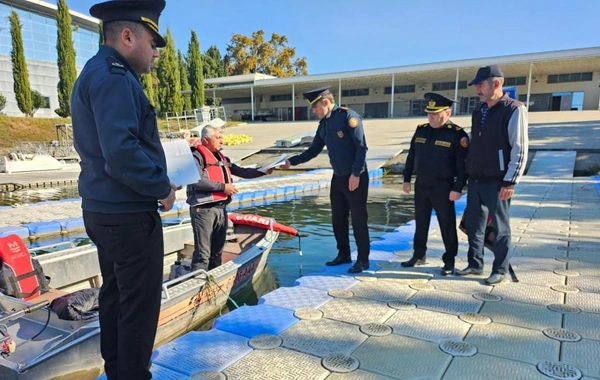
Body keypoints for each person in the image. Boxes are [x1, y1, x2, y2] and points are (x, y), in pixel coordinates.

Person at [71, 1, 177, 379]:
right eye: (152, 42)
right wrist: (161, 187)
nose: (156, 52)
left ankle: (118, 372)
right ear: (128, 36)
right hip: (128, 215)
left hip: (104, 210)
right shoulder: (115, 76)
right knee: (138, 307)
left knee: (116, 298)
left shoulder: (95, 71)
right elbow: (120, 151)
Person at [282, 86, 370, 273]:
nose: (313, 111)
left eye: (315, 107)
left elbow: (361, 147)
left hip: (356, 177)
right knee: (338, 218)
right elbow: (313, 151)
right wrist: (292, 161)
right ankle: (344, 254)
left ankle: (363, 259)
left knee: (358, 219)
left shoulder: (348, 117)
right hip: (338, 177)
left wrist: (356, 174)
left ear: (325, 102)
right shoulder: (323, 125)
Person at [455, 65, 529, 285]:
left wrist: (510, 180)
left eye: (480, 85)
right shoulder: (479, 110)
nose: (477, 90)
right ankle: (475, 264)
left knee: (500, 227)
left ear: (496, 83)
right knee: (474, 225)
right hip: (476, 178)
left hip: (498, 181)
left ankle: (500, 269)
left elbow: (520, 147)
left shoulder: (514, 109)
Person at [187, 125, 271, 271]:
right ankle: (197, 283)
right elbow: (197, 179)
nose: (222, 141)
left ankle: (213, 279)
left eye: (222, 137)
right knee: (203, 254)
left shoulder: (222, 158)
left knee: (217, 251)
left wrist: (262, 171)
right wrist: (223, 187)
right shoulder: (196, 156)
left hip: (221, 209)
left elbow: (241, 171)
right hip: (203, 211)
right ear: (206, 139)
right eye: (218, 138)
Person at [401, 93, 469, 275]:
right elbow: (411, 156)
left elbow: (463, 166)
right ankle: (418, 254)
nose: (430, 118)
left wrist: (457, 188)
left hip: (443, 187)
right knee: (420, 222)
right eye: (428, 114)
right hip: (422, 185)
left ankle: (449, 260)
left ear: (447, 113)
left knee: (446, 224)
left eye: (435, 114)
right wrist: (406, 179)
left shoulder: (457, 135)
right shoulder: (421, 130)